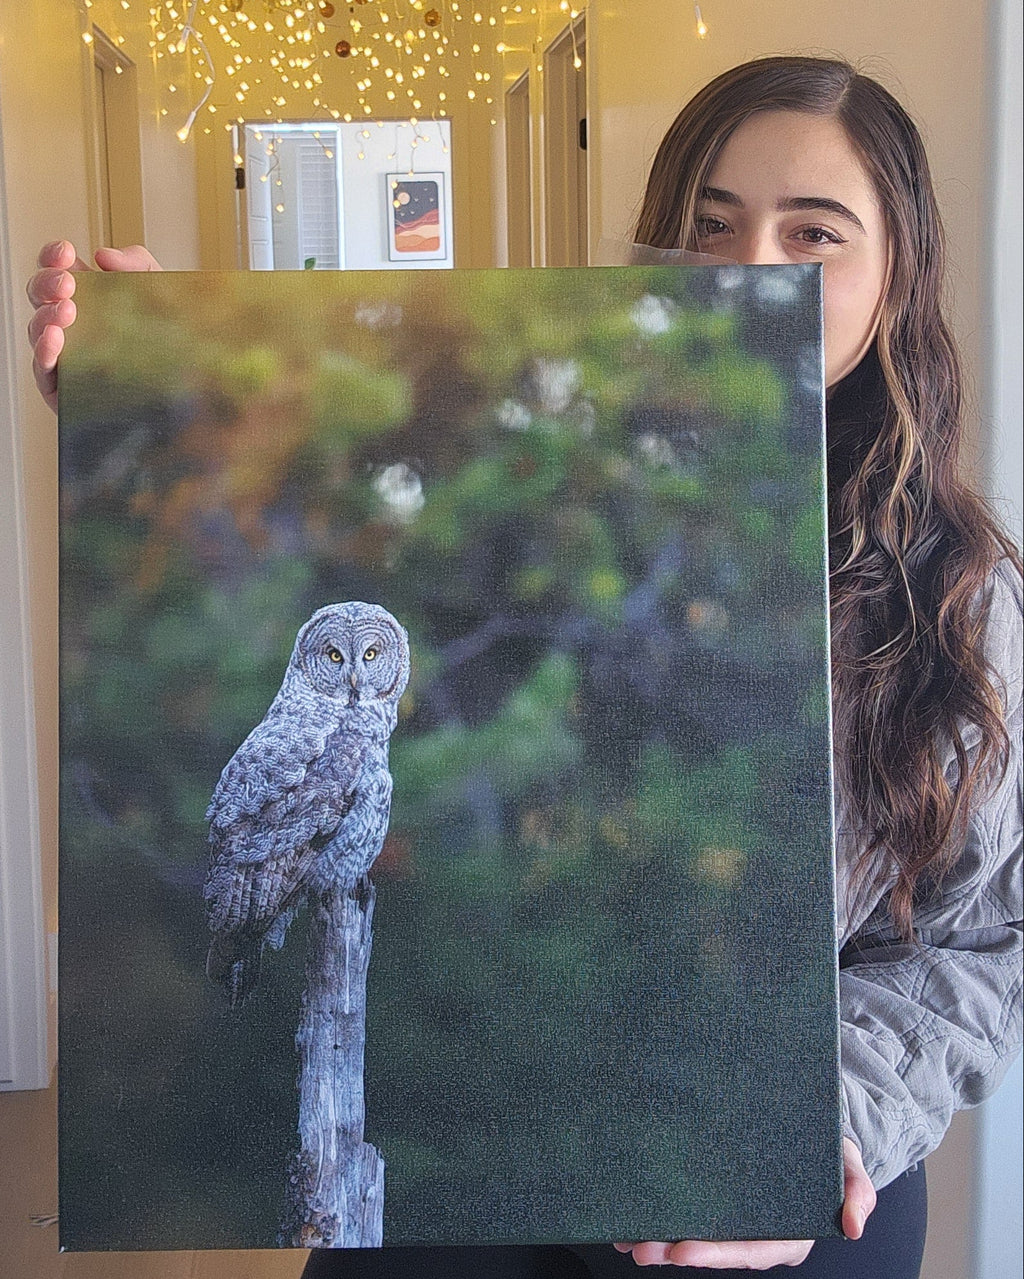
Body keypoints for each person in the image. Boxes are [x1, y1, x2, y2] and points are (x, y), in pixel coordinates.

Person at [26, 54, 1021, 1278]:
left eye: (811, 233)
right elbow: (315, 539)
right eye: (707, 227)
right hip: (464, 1151)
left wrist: (835, 1125)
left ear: (895, 279)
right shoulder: (530, 475)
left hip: (770, 1190)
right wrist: (151, 386)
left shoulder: (953, 595)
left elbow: (982, 943)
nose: (749, 265)